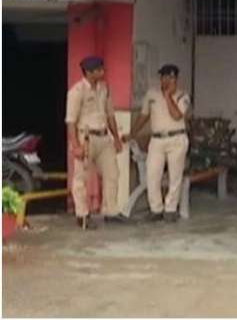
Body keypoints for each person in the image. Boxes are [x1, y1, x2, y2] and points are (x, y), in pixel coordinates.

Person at [124, 64, 191, 222]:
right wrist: (132, 133)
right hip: (157, 139)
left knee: (175, 176)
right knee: (152, 174)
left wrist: (168, 96)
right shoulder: (151, 94)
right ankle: (156, 209)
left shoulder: (183, 96)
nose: (166, 81)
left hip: (176, 138)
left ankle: (170, 209)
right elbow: (144, 116)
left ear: (176, 79)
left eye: (170, 78)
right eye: (164, 77)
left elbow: (176, 116)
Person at [65, 56, 126, 229]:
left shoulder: (104, 88)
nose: (102, 72)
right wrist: (75, 146)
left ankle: (110, 211)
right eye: (99, 70)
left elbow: (110, 115)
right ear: (89, 72)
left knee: (112, 173)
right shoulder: (77, 91)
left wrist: (116, 138)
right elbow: (71, 121)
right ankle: (82, 215)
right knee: (81, 178)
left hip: (104, 137)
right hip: (86, 138)